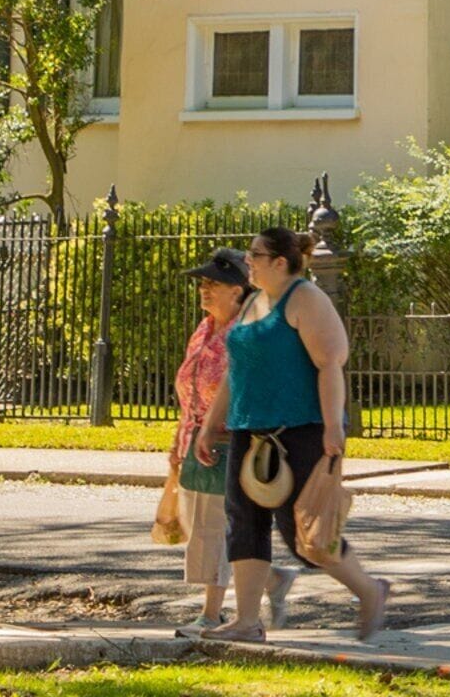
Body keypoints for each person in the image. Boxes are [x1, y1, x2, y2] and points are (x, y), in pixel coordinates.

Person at [222, 225, 392, 639]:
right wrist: (212, 426)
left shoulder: (307, 299)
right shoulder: (252, 303)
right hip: (249, 429)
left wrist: (334, 427)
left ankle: (369, 590)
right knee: (244, 523)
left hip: (299, 430)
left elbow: (330, 364)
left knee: (302, 534)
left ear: (280, 262)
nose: (248, 261)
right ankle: (246, 621)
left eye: (255, 255)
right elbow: (235, 372)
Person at [167, 249, 288, 638]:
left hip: (231, 442)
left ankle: (211, 614)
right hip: (198, 445)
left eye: (213, 284)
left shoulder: (246, 333)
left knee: (215, 527)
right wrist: (179, 442)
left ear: (238, 291)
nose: (204, 290)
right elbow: (189, 394)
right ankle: (270, 578)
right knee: (204, 524)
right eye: (202, 284)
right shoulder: (204, 331)